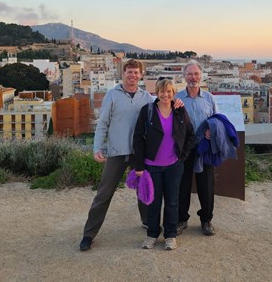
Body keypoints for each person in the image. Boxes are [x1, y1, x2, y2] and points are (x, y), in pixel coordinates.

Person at [79, 59, 151, 252]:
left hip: (138, 154)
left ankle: (147, 222)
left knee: (143, 191)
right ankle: (89, 234)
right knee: (104, 194)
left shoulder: (147, 97)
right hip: (116, 152)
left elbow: (161, 113)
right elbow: (103, 123)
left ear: (141, 75)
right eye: (129, 72)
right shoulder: (112, 95)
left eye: (136, 72)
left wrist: (176, 103)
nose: (133, 75)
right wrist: (97, 148)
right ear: (123, 74)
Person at [132, 78, 195, 250]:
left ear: (173, 93)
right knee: (153, 202)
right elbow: (138, 138)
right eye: (162, 91)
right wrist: (139, 166)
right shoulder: (148, 111)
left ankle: (170, 235)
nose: (165, 94)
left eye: (169, 92)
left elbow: (190, 133)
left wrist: (183, 156)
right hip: (152, 165)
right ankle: (152, 234)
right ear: (157, 93)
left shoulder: (179, 110)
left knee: (173, 201)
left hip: (174, 165)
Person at [176, 60, 218, 236]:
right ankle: (181, 219)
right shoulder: (176, 98)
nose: (193, 77)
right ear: (184, 77)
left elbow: (217, 121)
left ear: (201, 76)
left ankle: (206, 220)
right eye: (189, 74)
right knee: (181, 185)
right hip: (183, 149)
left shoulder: (209, 98)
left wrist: (211, 130)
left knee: (206, 185)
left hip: (203, 148)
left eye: (196, 74)